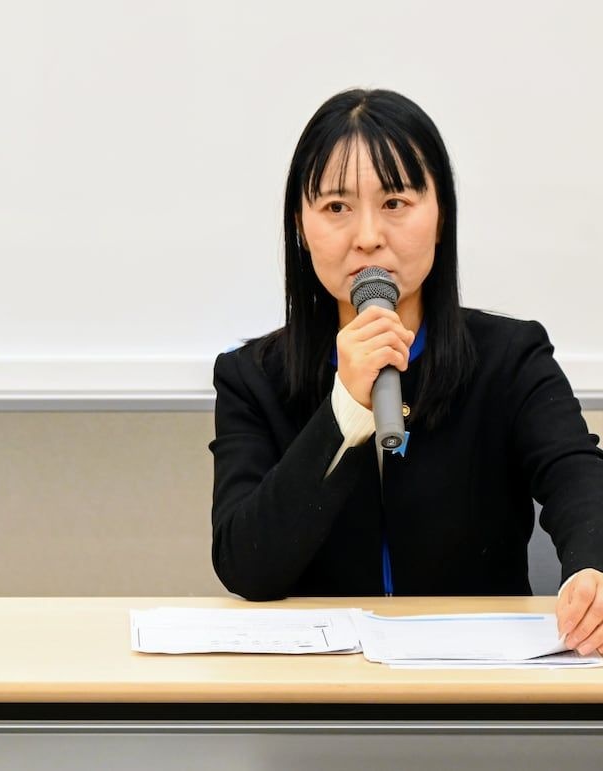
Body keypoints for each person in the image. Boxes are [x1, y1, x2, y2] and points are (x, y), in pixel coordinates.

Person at [210, 89, 603, 654]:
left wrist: (592, 567)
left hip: (476, 682)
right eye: (336, 208)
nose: (368, 236)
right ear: (300, 226)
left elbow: (577, 477)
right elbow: (246, 565)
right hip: (319, 690)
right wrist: (345, 408)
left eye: (395, 202)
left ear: (440, 218)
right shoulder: (251, 378)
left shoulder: (509, 358)